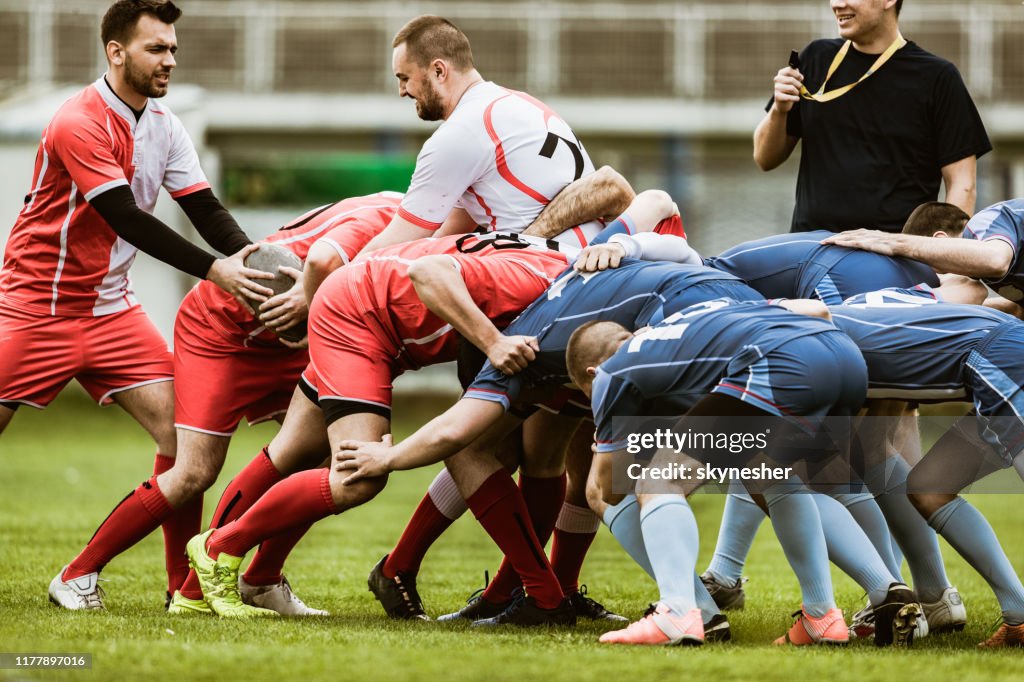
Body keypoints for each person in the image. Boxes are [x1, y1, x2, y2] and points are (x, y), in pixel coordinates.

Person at [0, 0, 276, 610]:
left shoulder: (166, 125)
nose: (169, 60)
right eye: (157, 48)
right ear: (116, 52)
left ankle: (183, 587)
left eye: (173, 48)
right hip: (32, 310)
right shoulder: (78, 120)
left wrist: (255, 260)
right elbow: (123, 216)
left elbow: (205, 208)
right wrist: (216, 272)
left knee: (186, 439)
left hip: (113, 314)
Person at [183, 230, 583, 618]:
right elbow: (427, 272)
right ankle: (218, 548)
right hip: (356, 316)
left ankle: (241, 582)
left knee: (296, 451)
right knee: (355, 476)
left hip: (377, 316)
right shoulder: (547, 284)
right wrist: (494, 344)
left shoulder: (575, 278)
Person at [566, 299, 920, 647]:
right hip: (842, 357)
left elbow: (611, 487)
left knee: (657, 480)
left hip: (777, 364)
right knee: (768, 472)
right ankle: (840, 607)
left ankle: (681, 612)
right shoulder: (679, 328)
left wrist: (615, 448)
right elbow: (817, 310)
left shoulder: (611, 374)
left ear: (592, 374)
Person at [164, 192, 403, 616]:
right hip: (237, 322)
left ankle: (243, 582)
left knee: (311, 455)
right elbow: (322, 260)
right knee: (196, 471)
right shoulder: (406, 212)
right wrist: (309, 302)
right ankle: (95, 577)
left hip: (310, 331)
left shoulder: (403, 204)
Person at [825, 291, 1024, 648]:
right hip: (998, 352)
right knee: (929, 486)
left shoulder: (804, 329)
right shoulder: (894, 298)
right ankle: (1019, 614)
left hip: (999, 359)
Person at [360, 15, 604, 253]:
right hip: (596, 251)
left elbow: (399, 241)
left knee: (400, 274)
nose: (402, 91)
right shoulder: (519, 102)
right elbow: (450, 230)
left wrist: (338, 275)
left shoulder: (460, 132)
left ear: (438, 71)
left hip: (551, 264)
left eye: (405, 78)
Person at [753, 0, 990, 233]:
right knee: (729, 264)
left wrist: (945, 261)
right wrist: (779, 110)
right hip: (811, 251)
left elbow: (963, 184)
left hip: (892, 256)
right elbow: (764, 158)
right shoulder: (815, 58)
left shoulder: (938, 77)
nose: (837, 4)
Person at [824, 199, 1024, 313]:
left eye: (929, 268)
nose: (936, 280)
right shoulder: (1001, 267)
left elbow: (994, 260)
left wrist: (894, 242)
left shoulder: (985, 222)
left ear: (940, 240)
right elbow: (1016, 311)